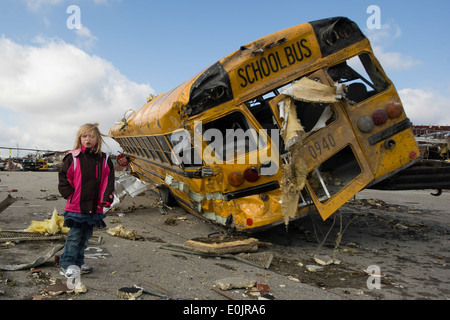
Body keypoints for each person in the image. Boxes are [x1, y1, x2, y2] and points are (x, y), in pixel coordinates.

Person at [58, 123, 115, 278]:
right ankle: (67, 264)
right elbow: (64, 177)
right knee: (74, 236)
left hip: (94, 207)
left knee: (85, 237)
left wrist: (106, 199)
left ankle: (79, 261)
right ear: (80, 139)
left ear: (98, 139)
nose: (88, 139)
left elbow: (109, 180)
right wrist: (69, 194)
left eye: (91, 136)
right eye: (84, 136)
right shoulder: (73, 157)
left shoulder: (104, 159)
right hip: (76, 205)